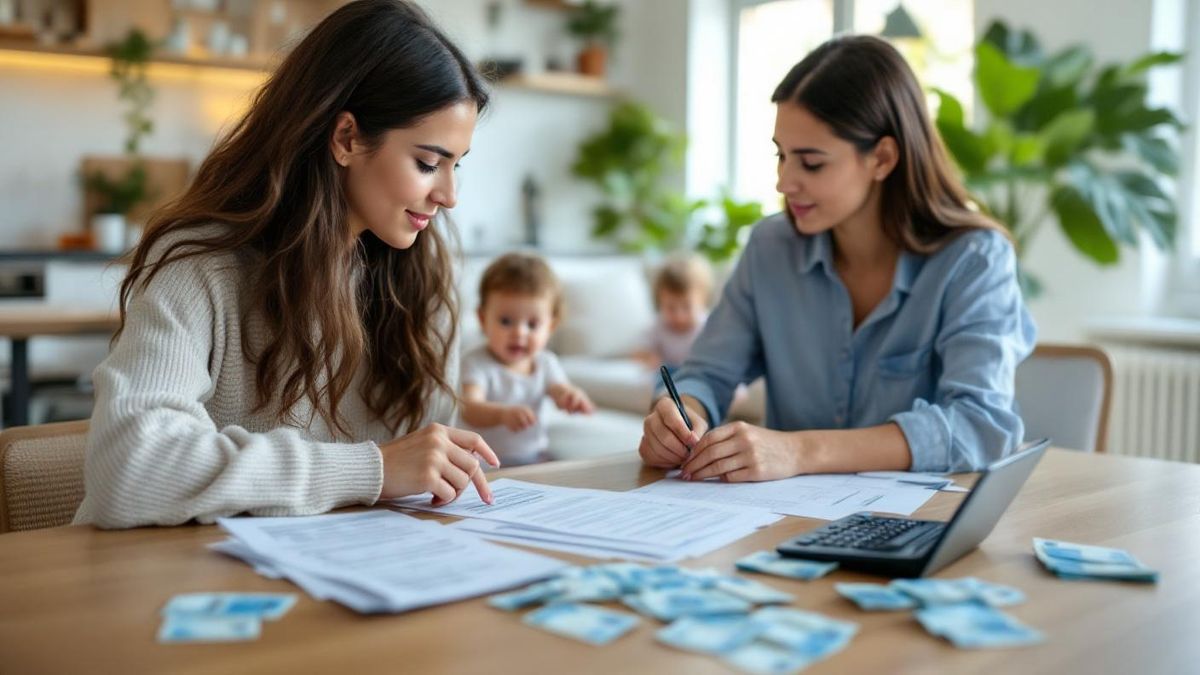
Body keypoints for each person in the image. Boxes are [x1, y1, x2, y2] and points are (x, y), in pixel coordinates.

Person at [75, 0, 500, 529]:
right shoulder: (199, 262)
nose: (449, 195)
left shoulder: (424, 277)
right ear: (346, 138)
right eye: (428, 163)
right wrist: (370, 469)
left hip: (338, 579)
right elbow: (129, 469)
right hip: (176, 583)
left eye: (456, 166)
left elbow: (429, 477)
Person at [639, 35, 1036, 482]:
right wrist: (679, 412)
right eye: (781, 155)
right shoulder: (770, 247)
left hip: (924, 527)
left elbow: (981, 425)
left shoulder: (974, 260)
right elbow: (706, 374)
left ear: (882, 158)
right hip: (782, 525)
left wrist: (801, 450)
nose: (784, 182)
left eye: (810, 163)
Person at [460, 253, 595, 466]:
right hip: (481, 463)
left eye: (532, 324)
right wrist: (502, 414)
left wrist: (571, 397)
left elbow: (558, 390)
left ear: (550, 326)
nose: (519, 333)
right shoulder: (476, 362)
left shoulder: (546, 363)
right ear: (483, 319)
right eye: (506, 321)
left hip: (533, 456)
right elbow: (469, 407)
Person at [632, 253, 713, 372]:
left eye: (687, 306)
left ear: (703, 301)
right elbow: (637, 352)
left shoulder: (709, 326)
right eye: (670, 307)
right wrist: (650, 357)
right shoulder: (659, 325)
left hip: (699, 374)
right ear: (660, 302)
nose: (679, 316)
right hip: (670, 376)